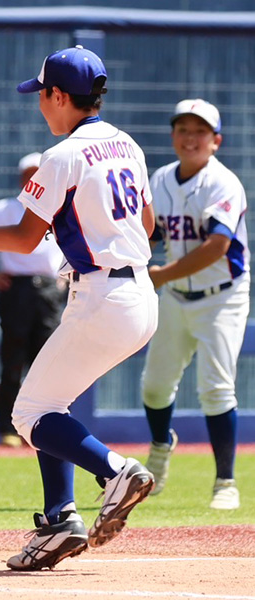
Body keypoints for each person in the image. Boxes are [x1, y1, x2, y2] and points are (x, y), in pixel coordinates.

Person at [0, 46, 159, 571]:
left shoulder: (62, 154)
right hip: (136, 293)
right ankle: (59, 520)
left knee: (30, 412)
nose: (40, 104)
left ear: (60, 95)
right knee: (49, 403)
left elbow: (24, 238)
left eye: (42, 94)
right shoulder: (126, 144)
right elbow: (148, 224)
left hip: (102, 297)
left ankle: (115, 472)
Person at [141, 99, 249, 510]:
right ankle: (160, 448)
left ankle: (225, 481)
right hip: (174, 294)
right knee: (153, 386)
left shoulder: (224, 183)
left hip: (221, 296)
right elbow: (149, 233)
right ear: (173, 137)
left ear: (216, 141)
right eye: (183, 130)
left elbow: (217, 246)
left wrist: (159, 275)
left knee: (216, 389)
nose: (191, 138)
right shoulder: (162, 178)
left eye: (200, 131)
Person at [0, 152, 67, 448]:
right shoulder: (4, 209)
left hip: (50, 290)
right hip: (16, 289)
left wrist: (64, 280)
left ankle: (44, 427)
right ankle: (8, 427)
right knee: (13, 360)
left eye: (39, 173)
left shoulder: (60, 209)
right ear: (21, 178)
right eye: (29, 173)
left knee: (47, 361)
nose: (34, 179)